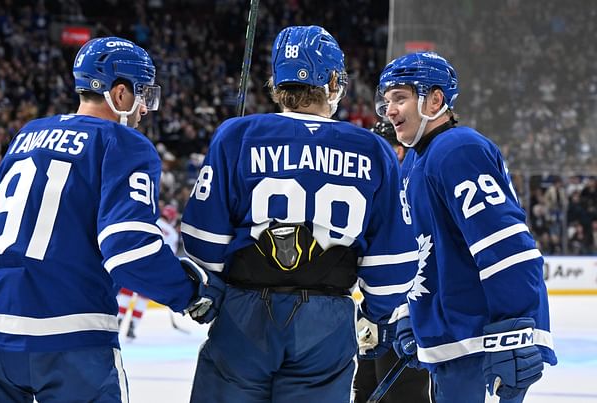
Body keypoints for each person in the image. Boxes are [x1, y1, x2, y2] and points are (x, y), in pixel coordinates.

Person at [0, 36, 225, 402]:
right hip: (66, 329)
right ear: (119, 94)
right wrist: (190, 292)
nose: (146, 108)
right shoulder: (124, 143)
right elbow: (128, 251)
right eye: (142, 94)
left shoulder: (27, 134)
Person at [180, 25, 417, 403]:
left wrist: (215, 287)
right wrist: (377, 312)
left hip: (244, 313)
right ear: (334, 80)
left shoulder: (236, 135)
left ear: (276, 81)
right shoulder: (373, 149)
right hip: (326, 322)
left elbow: (201, 241)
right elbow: (393, 258)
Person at [375, 51, 557, 402]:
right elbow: (416, 249)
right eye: (387, 102)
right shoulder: (414, 160)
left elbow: (507, 247)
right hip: (451, 342)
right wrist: (410, 314)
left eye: (400, 98)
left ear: (435, 99)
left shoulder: (458, 149)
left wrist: (514, 331)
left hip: (482, 343)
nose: (391, 111)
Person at [353, 120, 432, 403]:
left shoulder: (416, 185)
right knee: (365, 388)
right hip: (373, 310)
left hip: (406, 311)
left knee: (403, 392)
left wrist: (411, 314)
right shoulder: (377, 191)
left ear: (399, 152)